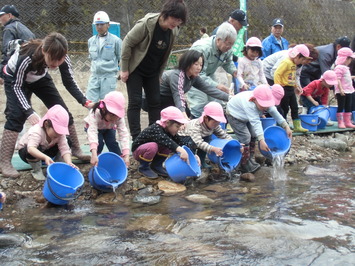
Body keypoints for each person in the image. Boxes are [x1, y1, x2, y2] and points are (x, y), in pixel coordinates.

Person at [0, 32, 93, 178]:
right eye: (52, 60)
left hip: (39, 78)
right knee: (16, 116)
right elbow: (17, 86)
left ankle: (75, 149)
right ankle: (4, 162)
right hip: (15, 79)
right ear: (44, 51)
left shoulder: (63, 57)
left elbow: (69, 81)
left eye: (59, 60)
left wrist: (84, 101)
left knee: (63, 112)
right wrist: (29, 111)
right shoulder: (27, 57)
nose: (55, 64)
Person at [120, 0, 188, 140]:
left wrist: (159, 73)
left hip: (153, 71)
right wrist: (124, 69)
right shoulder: (147, 24)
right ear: (166, 14)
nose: (176, 23)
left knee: (155, 102)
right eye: (174, 19)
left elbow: (166, 53)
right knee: (135, 102)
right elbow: (127, 43)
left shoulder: (173, 31)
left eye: (179, 21)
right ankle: (136, 137)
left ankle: (154, 134)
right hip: (136, 69)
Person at [227, 84, 292, 173]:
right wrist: (261, 140)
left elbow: (274, 112)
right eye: (263, 105)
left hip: (246, 116)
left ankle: (250, 158)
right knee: (245, 137)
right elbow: (256, 122)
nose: (265, 107)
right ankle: (244, 163)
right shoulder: (249, 104)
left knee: (253, 134)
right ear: (254, 99)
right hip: (234, 115)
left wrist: (286, 126)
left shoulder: (265, 99)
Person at [160, 50, 230, 119]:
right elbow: (178, 95)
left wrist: (229, 98)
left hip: (173, 99)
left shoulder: (193, 77)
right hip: (160, 98)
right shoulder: (177, 75)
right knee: (179, 117)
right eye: (196, 64)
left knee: (186, 113)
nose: (199, 68)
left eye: (201, 65)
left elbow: (209, 89)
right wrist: (183, 115)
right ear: (187, 63)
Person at [187, 22, 238, 118]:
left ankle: (215, 130)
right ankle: (194, 129)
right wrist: (218, 86)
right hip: (195, 78)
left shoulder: (227, 49)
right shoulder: (202, 49)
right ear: (219, 40)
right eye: (228, 44)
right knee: (199, 105)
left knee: (217, 105)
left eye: (232, 44)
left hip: (210, 75)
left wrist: (234, 72)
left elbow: (228, 62)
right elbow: (197, 74)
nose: (230, 47)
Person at [17, 105, 78, 181]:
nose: (59, 134)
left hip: (46, 150)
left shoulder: (59, 134)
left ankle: (56, 166)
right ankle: (37, 170)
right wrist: (45, 157)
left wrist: (69, 162)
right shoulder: (37, 131)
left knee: (68, 141)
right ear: (46, 124)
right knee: (31, 150)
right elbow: (31, 149)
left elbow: (64, 148)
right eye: (56, 131)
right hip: (28, 153)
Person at [131, 106, 193, 179]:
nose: (179, 129)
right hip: (139, 152)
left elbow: (180, 143)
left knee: (170, 145)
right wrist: (180, 150)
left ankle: (156, 165)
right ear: (167, 122)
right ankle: (143, 167)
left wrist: (192, 155)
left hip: (151, 151)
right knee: (154, 146)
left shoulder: (169, 131)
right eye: (177, 126)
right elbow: (166, 140)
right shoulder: (156, 129)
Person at [178, 102, 235, 168]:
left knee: (207, 139)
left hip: (199, 139)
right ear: (205, 118)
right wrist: (213, 149)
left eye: (218, 122)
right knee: (192, 144)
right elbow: (199, 143)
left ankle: (202, 161)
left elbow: (223, 135)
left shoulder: (215, 126)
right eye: (214, 122)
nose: (216, 124)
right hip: (183, 139)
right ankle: (191, 163)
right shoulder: (196, 126)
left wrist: (234, 142)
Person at [84, 91, 130, 167]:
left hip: (109, 128)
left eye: (117, 116)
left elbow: (123, 134)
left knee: (112, 142)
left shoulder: (118, 117)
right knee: (99, 143)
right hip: (95, 129)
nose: (115, 119)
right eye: (112, 115)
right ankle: (96, 160)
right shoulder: (95, 113)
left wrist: (126, 155)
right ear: (104, 110)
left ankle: (119, 160)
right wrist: (94, 153)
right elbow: (92, 132)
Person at [274, 44, 312, 132]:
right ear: (297, 56)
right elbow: (277, 73)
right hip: (284, 88)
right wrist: (278, 87)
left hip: (291, 88)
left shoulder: (294, 64)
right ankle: (282, 124)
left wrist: (297, 86)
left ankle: (297, 125)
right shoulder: (286, 62)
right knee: (284, 107)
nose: (302, 62)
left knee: (294, 107)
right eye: (302, 59)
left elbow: (292, 76)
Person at [86, 11, 122, 102]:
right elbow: (92, 59)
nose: (99, 27)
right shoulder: (91, 41)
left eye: (102, 24)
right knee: (90, 102)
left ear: (108, 25)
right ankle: (93, 116)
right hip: (94, 77)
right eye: (97, 25)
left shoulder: (116, 41)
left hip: (108, 78)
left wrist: (121, 71)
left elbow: (120, 58)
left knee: (106, 104)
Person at [0, 4, 35, 84]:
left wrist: (2, 73)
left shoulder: (9, 28)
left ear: (9, 15)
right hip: (31, 67)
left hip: (17, 67)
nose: (0, 19)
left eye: (1, 15)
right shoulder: (26, 29)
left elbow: (7, 51)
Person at [333, 47, 355, 129]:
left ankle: (348, 121)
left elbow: (347, 77)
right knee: (341, 106)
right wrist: (340, 89)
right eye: (349, 59)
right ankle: (340, 122)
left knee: (348, 106)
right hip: (342, 91)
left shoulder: (346, 68)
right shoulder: (339, 68)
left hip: (349, 90)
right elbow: (337, 79)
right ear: (345, 59)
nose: (350, 61)